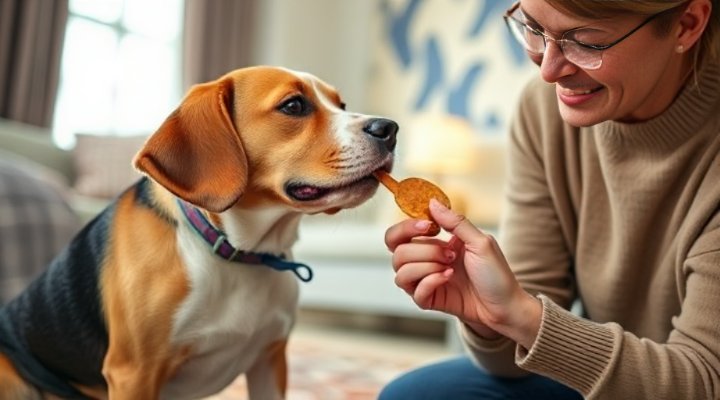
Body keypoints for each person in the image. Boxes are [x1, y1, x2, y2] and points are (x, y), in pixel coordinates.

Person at [379, 0, 720, 398]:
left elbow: (705, 383)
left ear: (686, 25)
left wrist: (525, 316)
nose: (548, 70)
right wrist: (491, 316)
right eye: (533, 27)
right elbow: (512, 363)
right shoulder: (543, 111)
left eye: (587, 43)